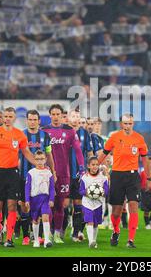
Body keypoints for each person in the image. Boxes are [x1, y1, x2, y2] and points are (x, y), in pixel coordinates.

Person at [0, 107, 38, 247]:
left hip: (13, 173)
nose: (7, 118)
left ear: (14, 118)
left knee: (12, 206)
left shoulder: (19, 135)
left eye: (10, 116)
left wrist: (39, 164)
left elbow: (27, 153)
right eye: (5, 116)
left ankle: (9, 239)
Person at [98, 113, 150, 248]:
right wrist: (94, 166)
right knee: (116, 211)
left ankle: (131, 240)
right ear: (121, 124)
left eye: (130, 123)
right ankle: (116, 231)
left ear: (133, 123)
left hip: (133, 176)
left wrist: (148, 177)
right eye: (125, 123)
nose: (128, 126)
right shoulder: (114, 137)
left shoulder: (139, 138)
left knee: (133, 206)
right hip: (117, 175)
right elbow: (104, 153)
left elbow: (144, 158)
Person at [43, 104, 84, 244]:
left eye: (58, 114)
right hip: (46, 174)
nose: (55, 117)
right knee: (46, 205)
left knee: (61, 205)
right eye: (53, 114)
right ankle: (46, 233)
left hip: (64, 173)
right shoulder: (44, 131)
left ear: (62, 115)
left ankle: (56, 234)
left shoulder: (70, 131)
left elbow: (78, 151)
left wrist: (82, 168)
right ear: (50, 115)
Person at [18, 109, 54, 246]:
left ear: (39, 121)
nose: (32, 122)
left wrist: (53, 172)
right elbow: (16, 156)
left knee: (41, 208)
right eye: (30, 119)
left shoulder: (45, 136)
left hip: (42, 177)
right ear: (26, 120)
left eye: (35, 119)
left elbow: (49, 155)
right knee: (25, 207)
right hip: (24, 176)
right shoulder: (21, 135)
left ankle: (39, 236)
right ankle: (26, 235)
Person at [68, 109, 93, 242]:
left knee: (79, 204)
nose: (76, 118)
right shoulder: (63, 131)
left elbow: (89, 153)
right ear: (68, 117)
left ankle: (76, 232)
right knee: (64, 204)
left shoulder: (84, 133)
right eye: (73, 115)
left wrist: (92, 170)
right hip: (65, 175)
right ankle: (59, 230)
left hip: (79, 175)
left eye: (78, 116)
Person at [25, 150, 55, 248]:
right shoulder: (31, 173)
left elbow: (51, 187)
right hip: (34, 199)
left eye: (41, 159)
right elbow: (27, 187)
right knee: (35, 219)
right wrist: (27, 200)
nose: (39, 161)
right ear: (34, 160)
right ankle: (36, 239)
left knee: (45, 217)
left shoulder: (49, 173)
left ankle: (47, 240)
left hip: (45, 198)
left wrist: (51, 199)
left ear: (45, 159)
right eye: (37, 159)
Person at [79, 157, 109, 248]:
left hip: (98, 204)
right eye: (93, 165)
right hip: (87, 203)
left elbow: (107, 191)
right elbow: (80, 191)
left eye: (96, 164)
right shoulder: (84, 178)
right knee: (90, 221)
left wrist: (100, 192)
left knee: (95, 223)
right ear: (88, 166)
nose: (95, 166)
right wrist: (87, 192)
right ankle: (90, 241)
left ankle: (94, 240)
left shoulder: (103, 178)